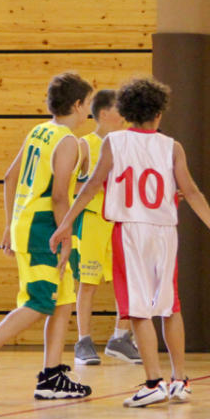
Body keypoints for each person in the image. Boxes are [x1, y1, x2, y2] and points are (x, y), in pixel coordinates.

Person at [51, 76, 210, 407]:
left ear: (125, 112)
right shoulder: (172, 146)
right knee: (170, 307)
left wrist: (66, 224)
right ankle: (180, 380)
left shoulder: (114, 142)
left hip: (130, 231)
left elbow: (91, 186)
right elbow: (192, 192)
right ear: (159, 112)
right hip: (165, 232)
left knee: (137, 309)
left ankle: (153, 382)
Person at [0, 72, 94, 403]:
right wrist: (66, 237)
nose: (89, 110)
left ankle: (52, 377)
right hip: (45, 226)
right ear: (77, 104)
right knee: (40, 301)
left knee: (62, 301)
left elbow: (9, 177)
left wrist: (9, 223)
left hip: (28, 222)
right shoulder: (67, 141)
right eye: (87, 103)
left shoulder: (39, 131)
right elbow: (60, 196)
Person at [70, 89, 141, 366]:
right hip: (92, 222)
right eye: (118, 109)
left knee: (128, 281)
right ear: (103, 113)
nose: (123, 115)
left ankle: (120, 338)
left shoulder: (126, 144)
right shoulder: (85, 145)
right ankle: (83, 341)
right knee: (88, 283)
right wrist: (96, 185)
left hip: (120, 221)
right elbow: (70, 185)